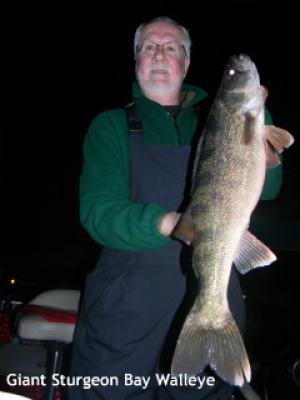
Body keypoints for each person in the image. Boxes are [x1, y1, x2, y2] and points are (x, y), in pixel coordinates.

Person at [68, 16, 282, 399]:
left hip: (211, 285)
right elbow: (96, 212)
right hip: (126, 304)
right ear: (136, 61)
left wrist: (259, 126)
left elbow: (270, 189)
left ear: (186, 63)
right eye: (149, 47)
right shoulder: (111, 126)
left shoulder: (217, 119)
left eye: (171, 47)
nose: (160, 54)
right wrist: (165, 222)